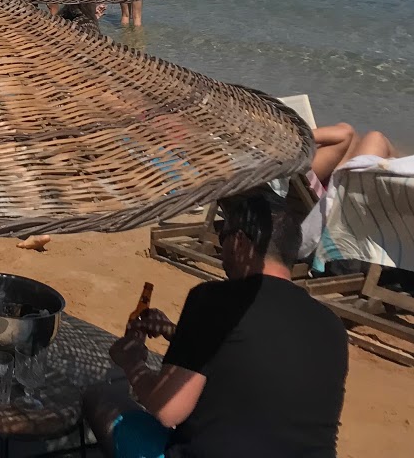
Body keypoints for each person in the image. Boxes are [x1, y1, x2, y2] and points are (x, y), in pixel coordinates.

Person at [88, 190, 347, 458]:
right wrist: (177, 334)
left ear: (239, 242)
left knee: (102, 400)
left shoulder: (214, 300)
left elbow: (167, 409)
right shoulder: (331, 325)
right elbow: (252, 361)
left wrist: (131, 363)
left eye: (223, 235)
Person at [311, 122, 396, 188]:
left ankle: (400, 182)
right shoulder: (301, 164)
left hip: (316, 185)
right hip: (340, 198)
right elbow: (344, 133)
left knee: (354, 140)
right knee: (375, 138)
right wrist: (302, 132)